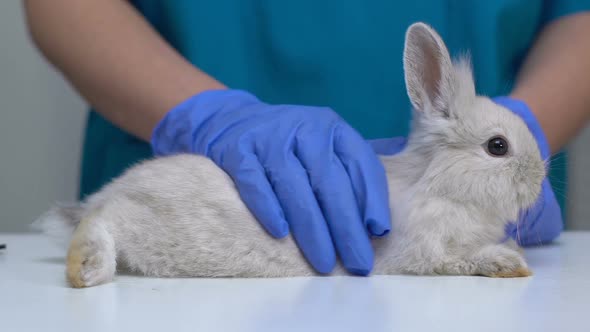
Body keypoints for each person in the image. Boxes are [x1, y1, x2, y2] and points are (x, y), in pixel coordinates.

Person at [24, 1, 590, 276]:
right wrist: (206, 116)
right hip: (174, 138)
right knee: (203, 230)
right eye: (496, 150)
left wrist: (530, 126)